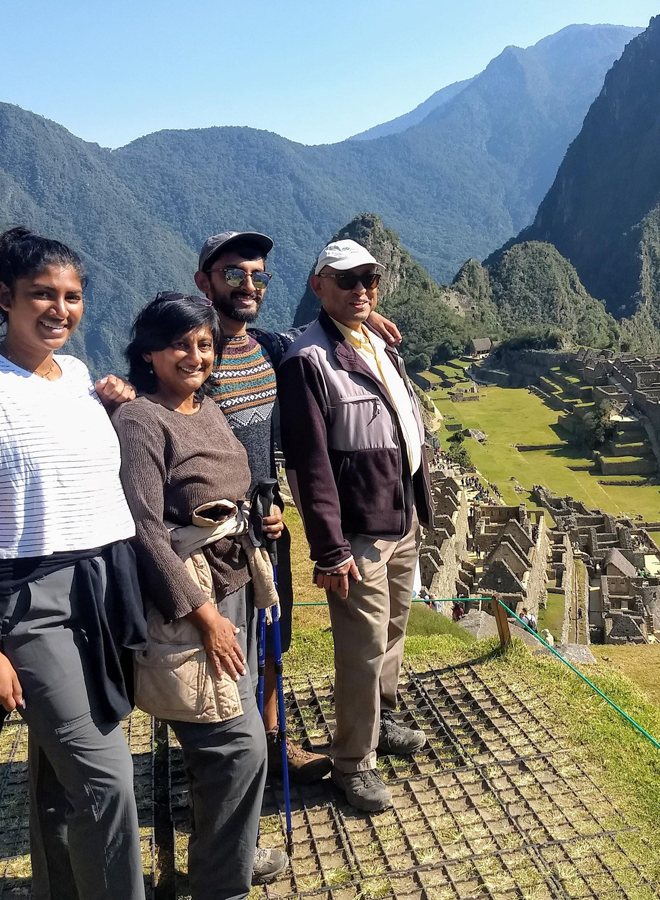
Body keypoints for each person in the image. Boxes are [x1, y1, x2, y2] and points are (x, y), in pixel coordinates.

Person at [0, 227, 146, 900]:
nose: (59, 309)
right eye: (41, 294)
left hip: (100, 588)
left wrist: (113, 408)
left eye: (72, 296)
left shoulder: (78, 378)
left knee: (59, 777)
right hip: (28, 601)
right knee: (105, 780)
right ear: (4, 298)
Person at [193, 230, 401, 783]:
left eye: (258, 276)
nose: (248, 285)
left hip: (270, 530)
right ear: (204, 282)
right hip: (213, 539)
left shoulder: (269, 348)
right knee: (218, 654)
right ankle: (224, 773)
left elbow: (316, 340)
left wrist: (364, 325)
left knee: (270, 643)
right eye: (233, 274)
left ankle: (270, 748)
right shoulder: (190, 355)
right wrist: (115, 390)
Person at [112, 293, 287, 898]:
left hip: (234, 583)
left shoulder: (206, 407)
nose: (195, 355)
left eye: (205, 344)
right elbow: (142, 526)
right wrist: (204, 614)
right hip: (192, 601)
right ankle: (223, 883)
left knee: (232, 747)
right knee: (234, 749)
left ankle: (227, 856)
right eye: (180, 344)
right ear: (150, 353)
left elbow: (226, 486)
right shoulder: (141, 420)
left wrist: (258, 518)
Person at [278, 239, 435, 813]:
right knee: (361, 647)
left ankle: (383, 721)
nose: (360, 289)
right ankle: (352, 762)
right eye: (346, 280)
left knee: (393, 629)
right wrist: (330, 549)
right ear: (318, 286)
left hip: (401, 516)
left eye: (369, 278)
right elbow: (310, 463)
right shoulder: (308, 359)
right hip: (359, 532)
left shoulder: (377, 342)